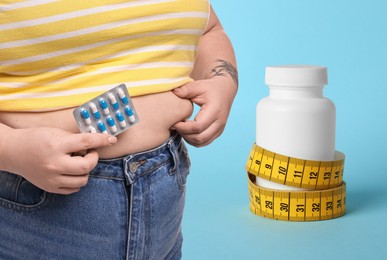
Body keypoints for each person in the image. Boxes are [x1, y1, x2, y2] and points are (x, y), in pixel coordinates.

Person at [0, 1, 237, 259]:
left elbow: (208, 30)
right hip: (37, 207)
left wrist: (222, 80)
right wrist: (11, 148)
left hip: (166, 189)